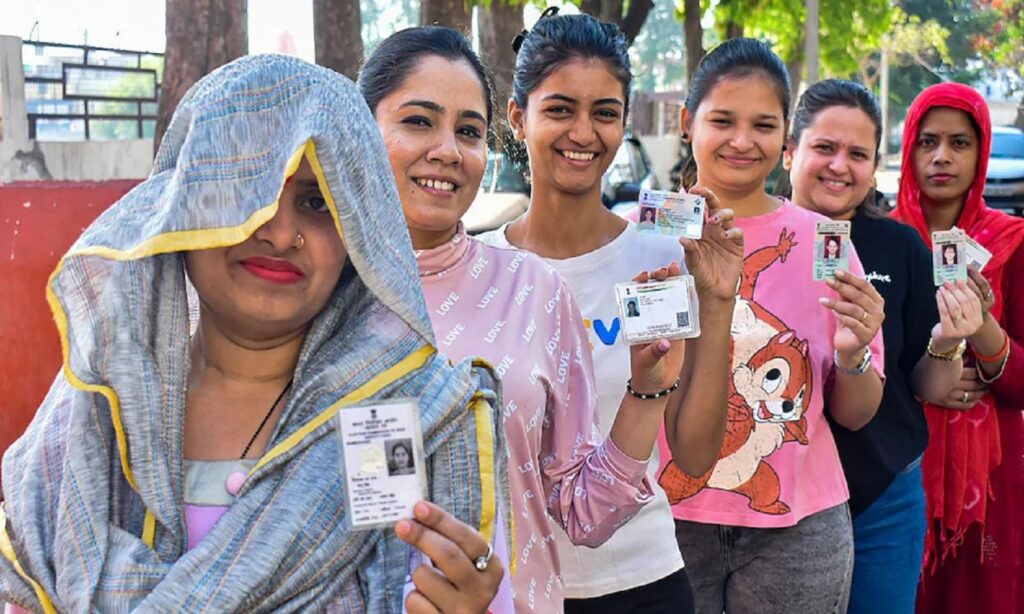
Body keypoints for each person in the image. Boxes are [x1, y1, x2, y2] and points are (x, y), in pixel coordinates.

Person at [0, 55, 507, 613]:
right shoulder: (98, 406)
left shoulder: (419, 411)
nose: (279, 230)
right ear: (181, 209)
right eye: (247, 189)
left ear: (359, 232)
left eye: (316, 202)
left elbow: (425, 581)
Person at [359, 26, 689, 613]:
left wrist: (646, 389)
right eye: (418, 121)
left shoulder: (532, 289)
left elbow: (585, 514)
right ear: (359, 129)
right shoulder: (314, 294)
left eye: (467, 131)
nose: (446, 150)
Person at [482, 11, 743, 613]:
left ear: (624, 121)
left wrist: (719, 300)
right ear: (518, 118)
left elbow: (696, 456)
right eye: (559, 109)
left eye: (604, 112)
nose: (583, 132)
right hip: (509, 589)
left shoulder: (659, 258)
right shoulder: (480, 269)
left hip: (643, 583)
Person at [654, 40, 886, 614]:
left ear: (784, 138)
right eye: (722, 120)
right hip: (660, 522)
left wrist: (854, 353)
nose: (741, 140)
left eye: (762, 125)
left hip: (798, 525)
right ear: (687, 124)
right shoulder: (645, 235)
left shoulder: (822, 244)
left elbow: (855, 412)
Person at [784, 78, 984, 614]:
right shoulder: (753, 239)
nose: (839, 166)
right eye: (824, 147)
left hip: (881, 495)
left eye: (857, 154)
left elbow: (926, 384)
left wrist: (947, 341)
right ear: (790, 150)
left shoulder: (900, 247)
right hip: (777, 496)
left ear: (875, 167)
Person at [891, 82, 1024, 614]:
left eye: (959, 143)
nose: (941, 156)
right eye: (926, 142)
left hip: (988, 487)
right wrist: (931, 379)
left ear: (981, 152)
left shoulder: (1012, 244)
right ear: (907, 150)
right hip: (893, 472)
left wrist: (983, 327)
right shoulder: (877, 241)